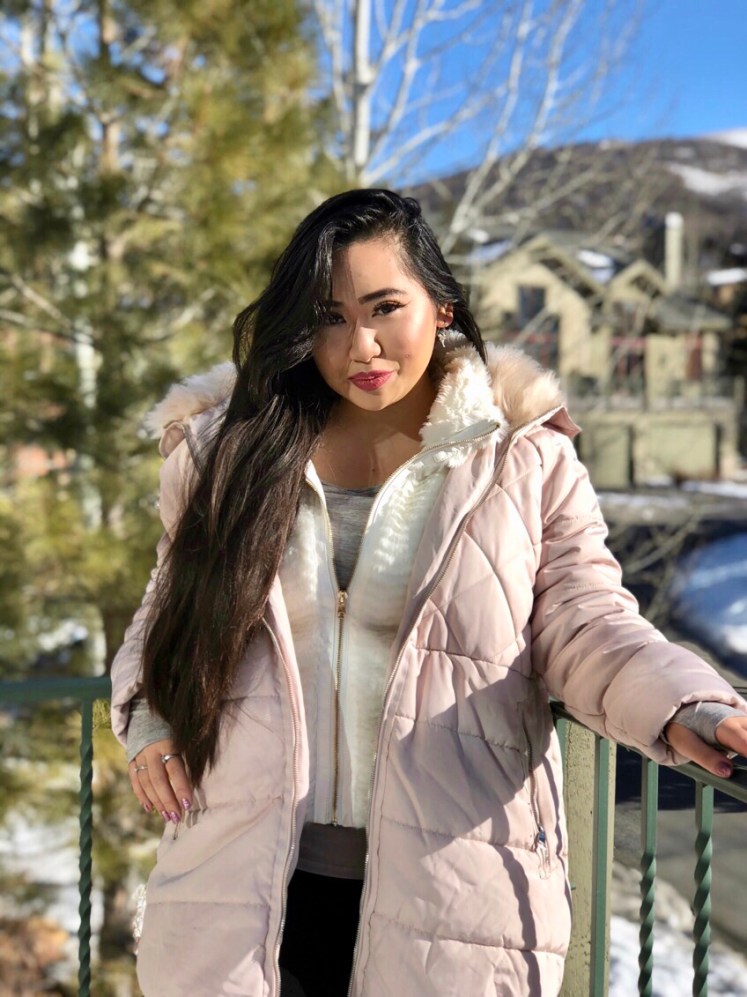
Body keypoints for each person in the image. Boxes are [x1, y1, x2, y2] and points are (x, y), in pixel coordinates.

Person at [110, 188, 747, 997]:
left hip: (450, 890)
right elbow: (167, 613)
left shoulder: (522, 459)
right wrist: (152, 718)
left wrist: (684, 703)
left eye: (385, 307)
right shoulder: (227, 453)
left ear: (441, 306)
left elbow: (586, 618)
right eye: (329, 317)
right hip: (240, 886)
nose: (360, 344)